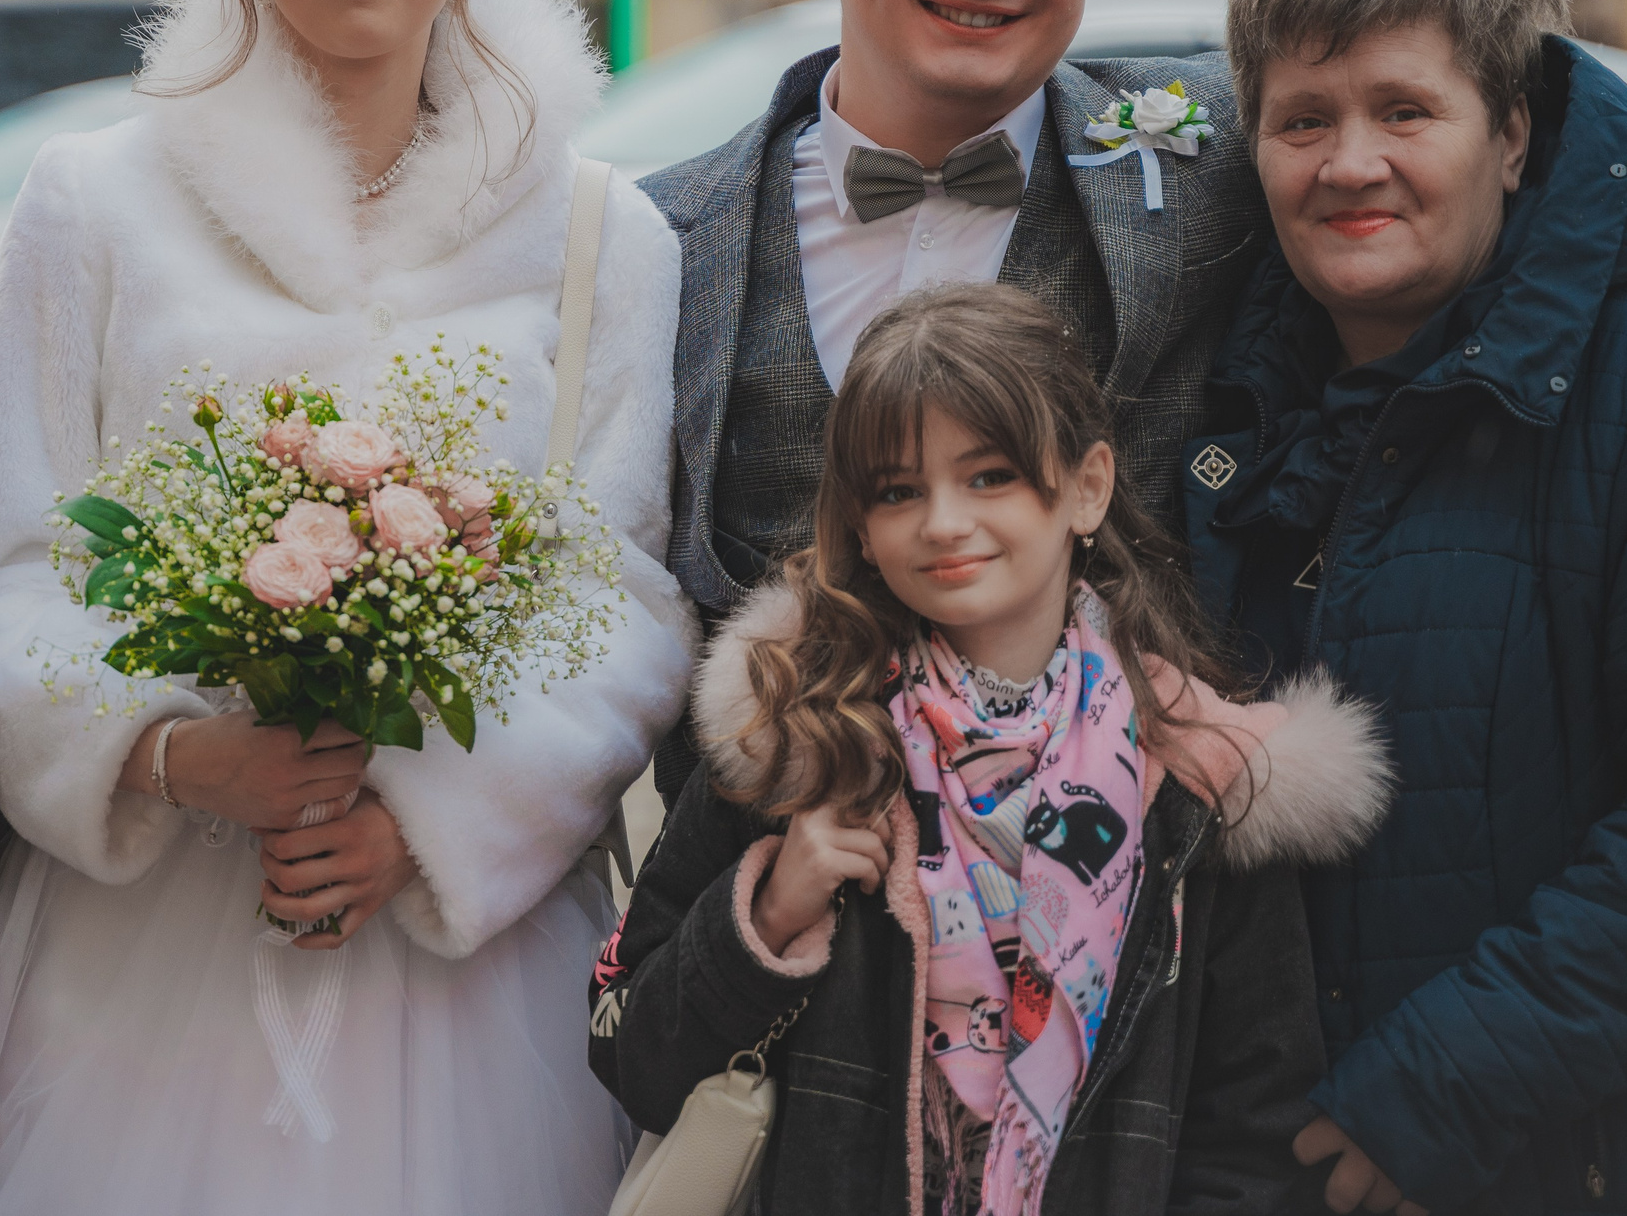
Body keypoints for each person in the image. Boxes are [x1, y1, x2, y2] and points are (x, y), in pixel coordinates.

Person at [640, 0, 1627, 811]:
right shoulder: (667, 235)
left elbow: (1530, 191)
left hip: (1125, 929)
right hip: (780, 932)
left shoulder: (1219, 148)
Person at [0, 0, 693, 1216]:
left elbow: (621, 602)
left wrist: (425, 827)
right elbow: (10, 575)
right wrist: (174, 756)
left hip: (469, 970)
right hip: (138, 967)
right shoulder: (91, 203)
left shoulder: (607, 233)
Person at [1177, 0, 1627, 1216]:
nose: (1348, 160)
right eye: (1304, 119)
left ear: (1516, 134)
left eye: (1406, 110)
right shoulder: (1222, 404)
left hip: (1599, 1154)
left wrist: (1445, 1087)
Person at [592, 282, 1393, 1215]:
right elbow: (626, 1053)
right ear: (860, 522)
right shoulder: (797, 738)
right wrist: (767, 914)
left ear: (1086, 486)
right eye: (898, 490)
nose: (942, 521)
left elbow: (1253, 1131)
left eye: (990, 476)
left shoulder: (1199, 780)